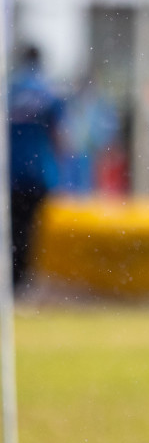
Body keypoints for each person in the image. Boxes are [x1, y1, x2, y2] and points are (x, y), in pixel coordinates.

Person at [8, 45, 65, 289]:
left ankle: (12, 277)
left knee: (12, 227)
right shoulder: (49, 93)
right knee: (32, 229)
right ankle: (24, 278)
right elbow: (60, 137)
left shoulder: (9, 90)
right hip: (39, 172)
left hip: (11, 172)